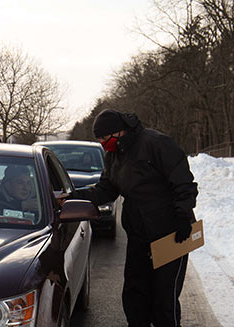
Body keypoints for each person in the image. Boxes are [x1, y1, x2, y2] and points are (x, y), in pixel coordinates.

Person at [73, 109, 198, 327]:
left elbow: (184, 184)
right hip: (139, 235)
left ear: (119, 132)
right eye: (99, 140)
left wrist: (183, 217)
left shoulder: (156, 144)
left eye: (104, 138)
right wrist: (75, 197)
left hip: (170, 234)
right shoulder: (114, 156)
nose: (103, 143)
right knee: (135, 296)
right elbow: (106, 189)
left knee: (163, 300)